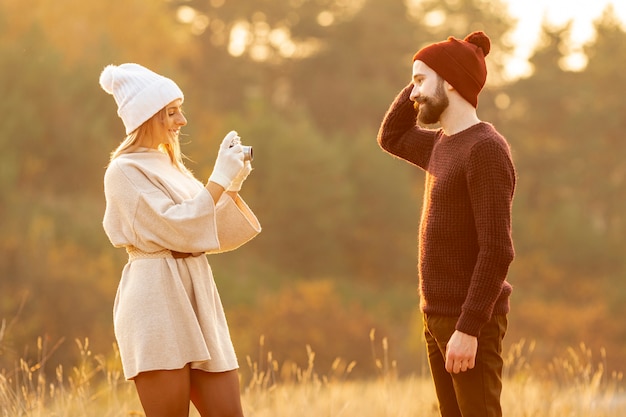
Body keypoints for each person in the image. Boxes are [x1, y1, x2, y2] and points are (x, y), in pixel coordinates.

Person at [99, 63, 261, 417]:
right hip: (155, 299)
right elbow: (178, 228)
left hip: (198, 293)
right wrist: (217, 178)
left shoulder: (169, 164)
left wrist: (231, 185)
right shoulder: (124, 171)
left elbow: (204, 232)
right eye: (172, 112)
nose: (182, 120)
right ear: (147, 116)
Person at [376, 32, 516, 417]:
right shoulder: (441, 143)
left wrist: (469, 329)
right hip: (436, 316)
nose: (413, 93)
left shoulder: (484, 149)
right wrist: (424, 77)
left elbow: (497, 250)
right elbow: (391, 137)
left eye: (420, 81)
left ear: (451, 81)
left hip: (469, 320)